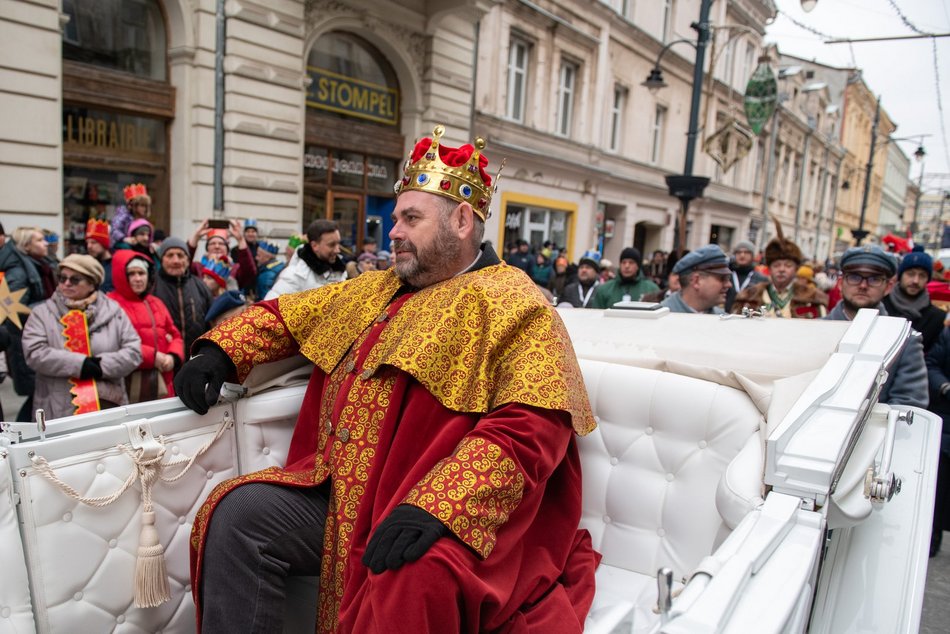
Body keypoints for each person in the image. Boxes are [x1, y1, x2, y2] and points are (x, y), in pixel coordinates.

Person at [174, 124, 598, 633]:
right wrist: (221, 352)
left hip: (427, 506)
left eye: (410, 218)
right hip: (336, 492)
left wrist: (442, 505)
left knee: (410, 573)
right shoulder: (374, 289)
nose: (392, 230)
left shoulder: (517, 303)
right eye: (396, 217)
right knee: (237, 515)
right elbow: (288, 315)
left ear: (462, 220)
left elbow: (532, 427)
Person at [21, 254, 141, 420]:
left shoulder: (114, 312)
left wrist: (100, 366)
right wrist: (80, 364)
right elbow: (34, 353)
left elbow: (134, 352)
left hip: (107, 405)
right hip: (57, 409)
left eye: (75, 279)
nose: (66, 283)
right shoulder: (42, 313)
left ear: (92, 283)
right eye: (62, 278)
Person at [825, 245, 927, 407]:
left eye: (874, 279)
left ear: (888, 287)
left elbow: (908, 404)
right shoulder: (818, 330)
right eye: (854, 277)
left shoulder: (905, 339)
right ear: (840, 282)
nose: (863, 285)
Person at [107, 251, 183, 401]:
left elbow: (175, 335)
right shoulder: (110, 304)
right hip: (129, 383)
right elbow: (113, 342)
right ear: (122, 276)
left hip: (162, 382)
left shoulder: (156, 302)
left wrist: (173, 356)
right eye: (132, 273)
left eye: (141, 273)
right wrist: (152, 357)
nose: (138, 278)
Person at [0, 226, 49, 421]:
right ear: (27, 246)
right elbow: (11, 308)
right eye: (39, 240)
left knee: (38, 397)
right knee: (37, 397)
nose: (45, 243)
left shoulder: (33, 264)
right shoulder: (19, 271)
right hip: (22, 340)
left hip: (27, 337)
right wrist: (50, 305)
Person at [732, 222, 827, 318]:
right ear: (769, 269)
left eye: (788, 265)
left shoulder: (812, 298)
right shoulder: (749, 296)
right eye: (776, 265)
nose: (781, 269)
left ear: (796, 269)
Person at [152, 236, 214, 355]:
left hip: (196, 360)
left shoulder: (201, 287)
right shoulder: (151, 286)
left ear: (187, 259)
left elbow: (211, 325)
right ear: (161, 259)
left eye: (180, 255)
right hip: (165, 359)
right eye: (170, 255)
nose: (176, 261)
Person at [264, 218, 347, 299]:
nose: (337, 250)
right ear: (315, 246)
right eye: (331, 245)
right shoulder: (295, 276)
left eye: (338, 243)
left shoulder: (339, 271)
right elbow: (270, 307)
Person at [883, 249, 946, 353]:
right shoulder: (881, 306)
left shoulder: (937, 317)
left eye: (922, 276)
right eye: (910, 274)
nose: (915, 281)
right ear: (900, 275)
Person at [925, 326, 950, 556]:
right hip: (946, 421)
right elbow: (932, 363)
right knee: (938, 487)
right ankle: (931, 537)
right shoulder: (948, 334)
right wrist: (945, 387)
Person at [661, 244, 733, 314]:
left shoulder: (722, 318)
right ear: (696, 281)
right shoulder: (659, 318)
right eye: (722, 278)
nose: (729, 284)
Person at [591, 247, 659, 308]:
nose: (627, 266)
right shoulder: (605, 289)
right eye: (623, 262)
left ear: (638, 266)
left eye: (631, 263)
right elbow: (597, 315)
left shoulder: (651, 289)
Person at [725, 240, 767, 312]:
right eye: (739, 252)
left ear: (752, 255)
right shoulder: (727, 276)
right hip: (726, 317)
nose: (742, 255)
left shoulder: (761, 279)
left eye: (746, 252)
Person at [111, 183, 151, 247]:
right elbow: (114, 231)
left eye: (146, 206)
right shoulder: (123, 216)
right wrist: (124, 238)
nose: (145, 209)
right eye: (142, 205)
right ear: (133, 206)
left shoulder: (141, 220)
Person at [85, 217, 114, 293]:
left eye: (93, 242)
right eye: (87, 243)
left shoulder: (116, 265)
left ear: (104, 244)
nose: (89, 246)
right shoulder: (87, 265)